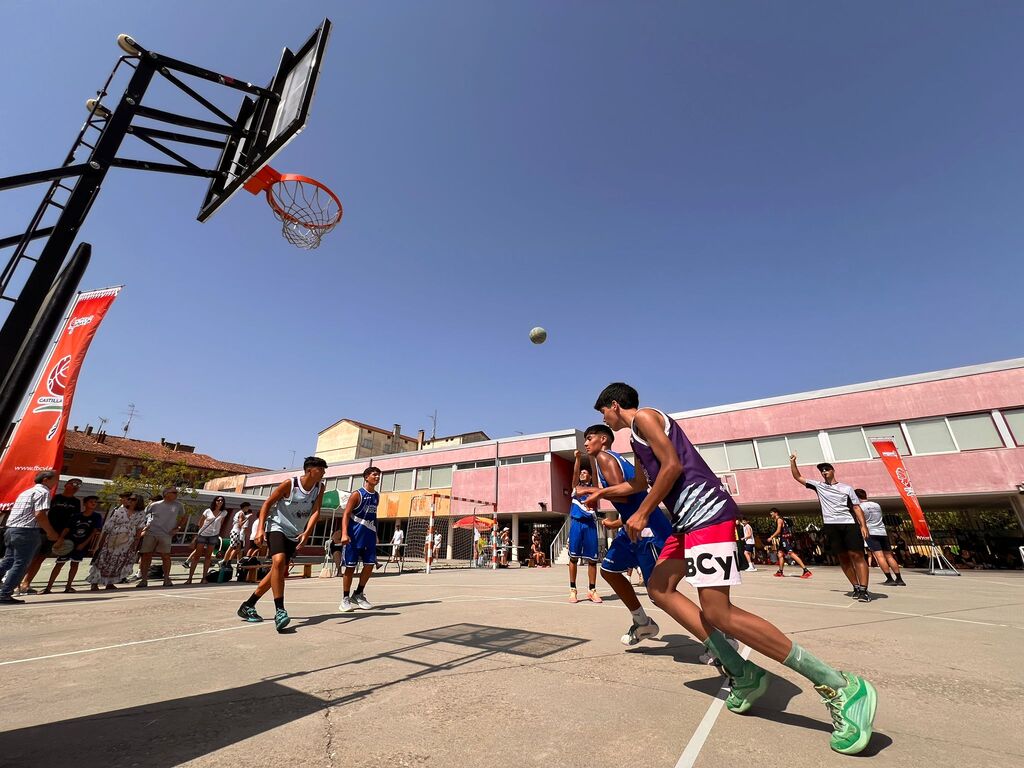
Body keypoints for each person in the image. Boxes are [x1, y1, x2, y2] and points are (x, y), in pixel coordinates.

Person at [584, 383, 877, 756]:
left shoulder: (644, 417)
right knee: (659, 589)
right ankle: (742, 671)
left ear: (614, 405)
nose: (603, 420)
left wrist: (642, 513)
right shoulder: (637, 440)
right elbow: (640, 483)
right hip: (686, 522)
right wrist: (602, 493)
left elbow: (673, 466)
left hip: (706, 513)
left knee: (718, 612)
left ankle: (841, 686)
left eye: (603, 413)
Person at [583, 423, 671, 646]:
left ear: (603, 439)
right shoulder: (613, 459)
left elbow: (624, 494)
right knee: (609, 570)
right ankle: (642, 622)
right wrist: (616, 522)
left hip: (649, 531)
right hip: (631, 529)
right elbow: (632, 501)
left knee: (661, 595)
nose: (586, 443)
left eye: (590, 438)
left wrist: (596, 492)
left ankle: (718, 640)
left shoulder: (605, 457)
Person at [237, 456, 326, 631]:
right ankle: (280, 611)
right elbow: (267, 504)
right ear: (310, 470)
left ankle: (248, 605)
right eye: (321, 469)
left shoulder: (319, 487)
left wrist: (307, 532)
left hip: (295, 532)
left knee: (276, 572)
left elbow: (316, 510)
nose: (323, 473)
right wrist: (260, 529)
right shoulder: (290, 484)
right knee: (278, 562)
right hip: (276, 526)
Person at [790, 457, 871, 602]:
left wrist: (863, 525)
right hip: (831, 525)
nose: (824, 472)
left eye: (827, 469)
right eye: (822, 470)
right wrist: (793, 462)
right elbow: (797, 477)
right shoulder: (819, 486)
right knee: (843, 557)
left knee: (857, 555)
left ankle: (864, 590)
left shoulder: (846, 488)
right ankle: (856, 587)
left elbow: (856, 507)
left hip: (848, 524)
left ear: (833, 471)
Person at [1, 471, 60, 604]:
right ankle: (4, 594)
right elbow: (40, 514)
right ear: (45, 480)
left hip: (11, 529)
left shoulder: (26, 492)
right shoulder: (43, 492)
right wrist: (50, 532)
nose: (56, 482)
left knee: (8, 561)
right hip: (27, 531)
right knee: (21, 563)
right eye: (55, 479)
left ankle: (4, 592)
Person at [19, 477, 82, 594]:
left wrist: (62, 537)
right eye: (73, 483)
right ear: (66, 485)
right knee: (30, 557)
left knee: (40, 558)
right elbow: (42, 513)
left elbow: (73, 521)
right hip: (42, 531)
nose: (76, 486)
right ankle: (15, 582)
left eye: (78, 485)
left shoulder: (76, 502)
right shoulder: (54, 497)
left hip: (58, 535)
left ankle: (26, 583)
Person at [339, 467, 380, 611]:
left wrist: (376, 533)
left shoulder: (377, 496)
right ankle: (345, 598)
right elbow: (346, 514)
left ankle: (358, 594)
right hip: (354, 537)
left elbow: (374, 517)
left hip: (369, 536)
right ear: (366, 477)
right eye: (374, 474)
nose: (377, 477)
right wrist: (344, 533)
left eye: (378, 475)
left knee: (369, 565)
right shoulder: (357, 494)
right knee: (350, 568)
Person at [44, 495, 104, 593]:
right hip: (69, 542)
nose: (93, 503)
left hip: (81, 544)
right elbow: (67, 529)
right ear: (85, 504)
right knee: (59, 564)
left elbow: (94, 532)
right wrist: (61, 539)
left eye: (95, 502)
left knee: (75, 564)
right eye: (91, 501)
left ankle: (68, 586)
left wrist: (84, 544)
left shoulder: (96, 517)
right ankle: (48, 587)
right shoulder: (76, 516)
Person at [86, 493, 146, 590]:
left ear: (138, 501)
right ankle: (94, 582)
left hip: (127, 542)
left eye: (133, 499)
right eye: (129, 499)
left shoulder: (141, 513)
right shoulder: (120, 510)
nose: (130, 501)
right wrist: (101, 541)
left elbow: (139, 529)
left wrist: (136, 543)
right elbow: (108, 526)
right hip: (112, 539)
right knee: (103, 560)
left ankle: (110, 582)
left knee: (118, 561)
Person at [567, 451, 602, 604]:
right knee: (573, 558)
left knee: (592, 560)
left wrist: (593, 457)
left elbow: (595, 471)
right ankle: (573, 590)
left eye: (585, 472)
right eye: (581, 472)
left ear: (590, 477)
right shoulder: (575, 488)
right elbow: (575, 473)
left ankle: (592, 590)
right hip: (576, 523)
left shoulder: (595, 488)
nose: (582, 473)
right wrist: (578, 458)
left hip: (590, 525)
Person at [136, 487, 184, 588]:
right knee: (146, 555)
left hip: (166, 534)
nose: (176, 494)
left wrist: (178, 528)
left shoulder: (179, 505)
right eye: (174, 492)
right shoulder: (154, 505)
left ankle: (166, 579)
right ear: (166, 494)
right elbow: (143, 515)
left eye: (176, 492)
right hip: (151, 532)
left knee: (165, 556)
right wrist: (144, 528)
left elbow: (184, 517)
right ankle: (144, 580)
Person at [855, 490, 906, 586]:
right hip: (882, 532)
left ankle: (889, 578)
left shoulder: (860, 507)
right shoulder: (876, 505)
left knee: (880, 557)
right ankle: (899, 578)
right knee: (889, 556)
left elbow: (859, 520)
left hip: (871, 532)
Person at [187, 496, 228, 585]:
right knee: (197, 556)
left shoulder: (224, 512)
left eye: (222, 500)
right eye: (218, 500)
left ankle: (204, 578)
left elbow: (221, 523)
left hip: (214, 535)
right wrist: (198, 533)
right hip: (203, 534)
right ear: (215, 501)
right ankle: (190, 578)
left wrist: (218, 533)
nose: (220, 502)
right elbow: (200, 522)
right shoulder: (208, 511)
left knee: (208, 557)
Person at [767, 508, 812, 579]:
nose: (770, 514)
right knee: (780, 554)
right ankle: (780, 571)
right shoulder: (779, 519)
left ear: (776, 513)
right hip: (783, 539)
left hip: (785, 539)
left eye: (771, 512)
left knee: (791, 554)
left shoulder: (779, 520)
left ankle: (806, 570)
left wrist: (771, 537)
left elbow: (778, 530)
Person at [222, 502, 252, 566]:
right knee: (231, 547)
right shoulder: (241, 513)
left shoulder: (239, 513)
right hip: (236, 532)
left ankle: (229, 561)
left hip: (236, 532)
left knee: (237, 548)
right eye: (247, 507)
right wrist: (247, 518)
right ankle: (224, 561)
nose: (248, 509)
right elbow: (240, 524)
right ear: (245, 507)